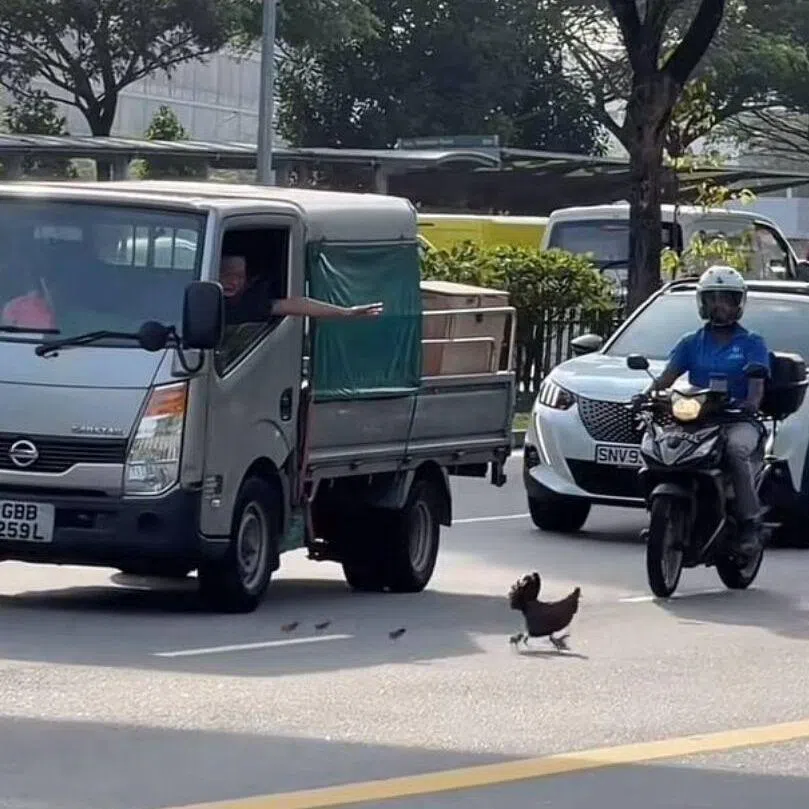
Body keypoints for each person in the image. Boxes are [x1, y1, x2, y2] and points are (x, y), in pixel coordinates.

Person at [644, 265, 770, 555]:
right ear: (702, 303)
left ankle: (750, 522)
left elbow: (757, 385)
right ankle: (661, 513)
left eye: (726, 299)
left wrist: (750, 403)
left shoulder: (752, 343)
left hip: (738, 419)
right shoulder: (691, 342)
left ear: (738, 304)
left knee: (736, 451)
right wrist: (645, 395)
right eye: (712, 299)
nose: (719, 306)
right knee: (661, 445)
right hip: (699, 418)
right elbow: (666, 378)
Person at [219, 254, 383, 323]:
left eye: (239, 277)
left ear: (249, 282)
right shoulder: (199, 301)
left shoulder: (250, 304)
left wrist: (346, 312)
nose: (233, 282)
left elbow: (298, 305)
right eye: (226, 275)